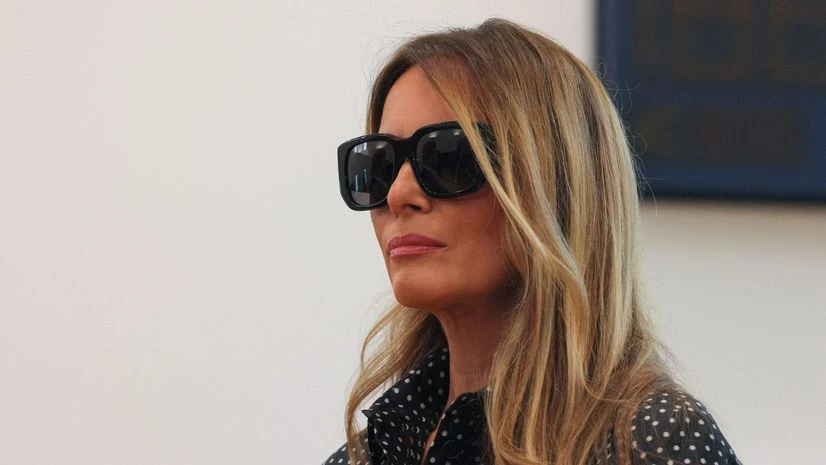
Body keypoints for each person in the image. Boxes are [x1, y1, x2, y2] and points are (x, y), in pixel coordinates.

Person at [325, 18, 742, 465]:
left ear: (556, 185)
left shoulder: (648, 442)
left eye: (447, 157)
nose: (398, 194)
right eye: (379, 163)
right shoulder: (367, 455)